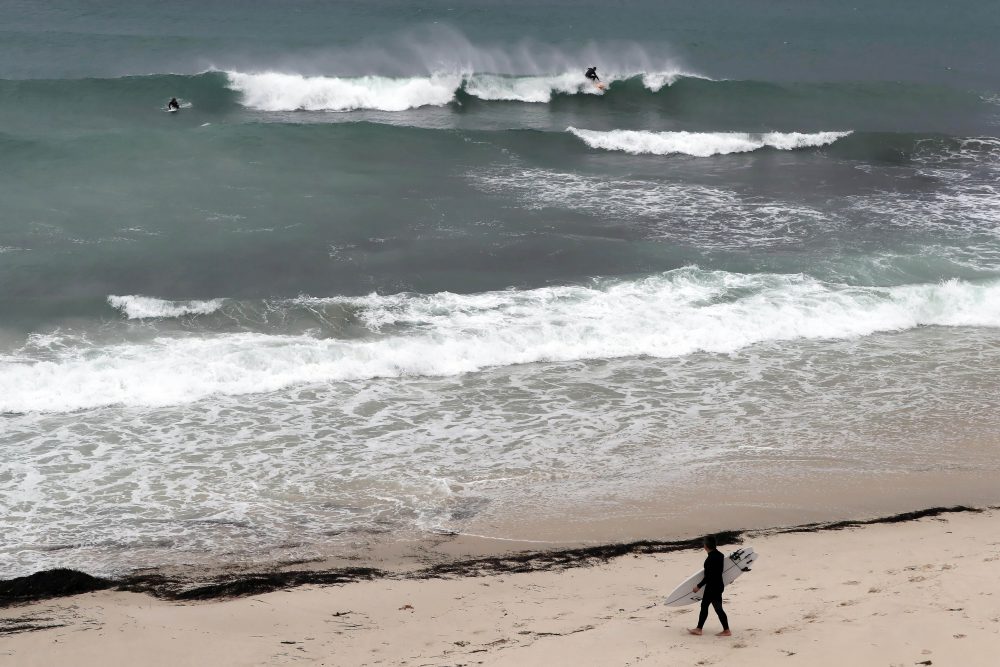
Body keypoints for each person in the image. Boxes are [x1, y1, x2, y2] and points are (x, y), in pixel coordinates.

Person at [688, 534, 731, 637]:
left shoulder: (709, 560)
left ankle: (700, 629)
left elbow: (708, 576)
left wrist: (698, 586)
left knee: (707, 607)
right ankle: (726, 630)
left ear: (705, 546)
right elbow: (721, 572)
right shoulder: (720, 555)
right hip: (719, 585)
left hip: (712, 587)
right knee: (716, 608)